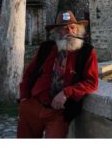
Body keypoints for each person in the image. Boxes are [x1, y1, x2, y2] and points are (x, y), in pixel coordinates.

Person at [17, 10, 99, 138]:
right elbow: (28, 73)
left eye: (73, 28)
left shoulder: (87, 52)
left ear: (78, 30)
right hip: (32, 106)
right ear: (57, 32)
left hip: (58, 114)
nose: (70, 32)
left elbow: (91, 82)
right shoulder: (46, 47)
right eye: (64, 29)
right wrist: (24, 99)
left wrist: (67, 92)